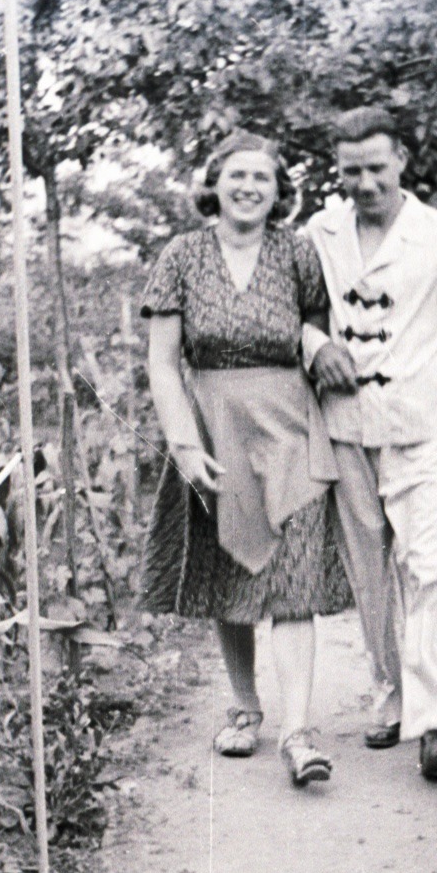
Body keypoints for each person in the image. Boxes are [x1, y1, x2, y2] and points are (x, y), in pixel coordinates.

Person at [302, 106, 437, 780]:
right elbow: (296, 311)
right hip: (345, 427)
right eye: (350, 171)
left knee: (429, 567)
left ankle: (432, 721)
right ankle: (390, 695)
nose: (364, 183)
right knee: (370, 574)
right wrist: (316, 346)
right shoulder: (319, 232)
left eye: (375, 168)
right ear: (338, 171)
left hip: (422, 428)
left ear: (400, 162)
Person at [140, 130, 350, 787]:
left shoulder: (297, 252)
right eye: (236, 175)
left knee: (291, 584)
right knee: (231, 573)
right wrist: (184, 443)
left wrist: (319, 350)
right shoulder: (181, 255)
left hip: (289, 424)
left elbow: (314, 324)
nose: (248, 187)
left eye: (261, 177)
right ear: (214, 183)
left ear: (278, 190)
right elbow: (162, 361)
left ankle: (296, 730)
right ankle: (243, 705)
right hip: (214, 424)